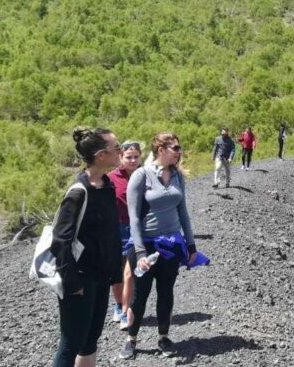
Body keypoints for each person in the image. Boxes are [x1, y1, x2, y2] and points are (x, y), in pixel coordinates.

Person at [120, 132, 197, 359]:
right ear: (161, 150)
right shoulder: (141, 175)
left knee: (166, 292)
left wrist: (190, 244)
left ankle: (163, 337)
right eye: (175, 147)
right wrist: (141, 251)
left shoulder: (177, 175)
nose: (179, 151)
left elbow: (183, 211)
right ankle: (131, 339)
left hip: (171, 244)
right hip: (145, 245)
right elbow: (133, 217)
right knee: (140, 294)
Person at [51, 127, 122, 367]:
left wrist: (113, 272)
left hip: (100, 276)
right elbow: (60, 241)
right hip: (80, 280)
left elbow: (107, 233)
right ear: (101, 155)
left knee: (91, 339)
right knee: (71, 343)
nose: (120, 152)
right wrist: (73, 284)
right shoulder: (78, 192)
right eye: (117, 148)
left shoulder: (106, 185)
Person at [106, 141, 142, 331]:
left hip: (139, 228)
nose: (133, 160)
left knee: (132, 272)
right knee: (117, 271)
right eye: (129, 157)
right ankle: (119, 305)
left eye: (136, 156)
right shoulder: (110, 178)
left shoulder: (145, 175)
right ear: (120, 157)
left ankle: (128, 307)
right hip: (117, 229)